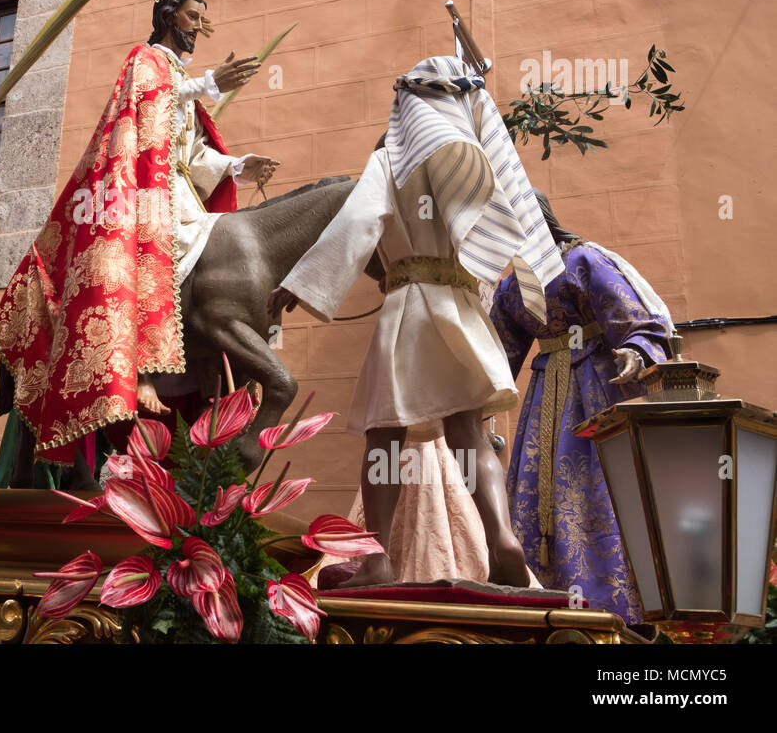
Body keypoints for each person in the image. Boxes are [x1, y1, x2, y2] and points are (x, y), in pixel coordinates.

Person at [268, 55, 564, 587]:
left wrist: (300, 283)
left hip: (410, 307)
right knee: (469, 432)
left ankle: (377, 558)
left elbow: (358, 221)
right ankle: (501, 538)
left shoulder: (393, 162)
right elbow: (507, 231)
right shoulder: (476, 165)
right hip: (463, 309)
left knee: (385, 437)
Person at [0, 0, 278, 469]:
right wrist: (205, 85)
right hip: (145, 197)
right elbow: (143, 110)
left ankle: (201, 367)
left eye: (202, 21)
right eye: (192, 18)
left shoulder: (178, 80)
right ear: (168, 16)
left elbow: (187, 155)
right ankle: (139, 371)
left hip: (180, 192)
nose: (198, 28)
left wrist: (235, 166)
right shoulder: (144, 61)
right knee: (142, 265)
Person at [490, 190, 672, 622]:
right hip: (544, 400)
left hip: (599, 386)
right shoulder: (513, 285)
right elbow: (497, 352)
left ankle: (616, 603)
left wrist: (636, 349)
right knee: (541, 496)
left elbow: (635, 316)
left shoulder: (583, 260)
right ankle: (544, 598)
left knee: (601, 488)